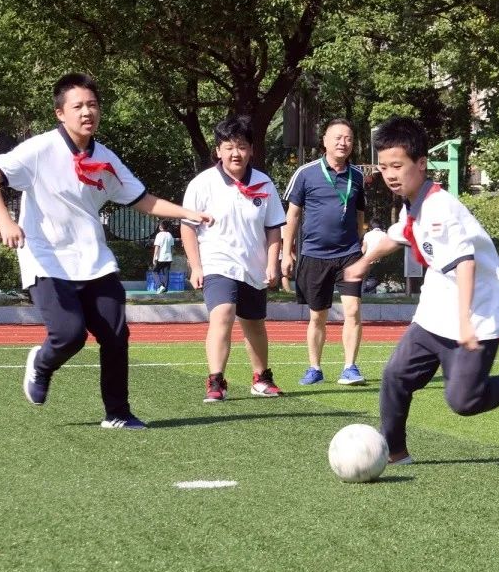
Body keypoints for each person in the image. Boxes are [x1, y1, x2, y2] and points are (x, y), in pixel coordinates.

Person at [0, 72, 213, 429]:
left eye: (93, 105)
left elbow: (142, 199)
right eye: (78, 106)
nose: (87, 112)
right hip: (47, 259)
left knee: (116, 335)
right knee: (69, 335)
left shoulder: (106, 158)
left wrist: (187, 213)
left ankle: (117, 412)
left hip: (94, 261)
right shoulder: (39, 149)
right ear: (60, 113)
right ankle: (42, 363)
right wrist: (6, 222)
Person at [343, 115, 499, 464]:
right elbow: (399, 233)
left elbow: (465, 262)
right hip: (437, 309)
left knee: (463, 401)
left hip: (476, 312)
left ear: (421, 164)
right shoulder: (414, 202)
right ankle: (395, 451)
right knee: (395, 376)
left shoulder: (439, 210)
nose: (390, 174)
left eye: (398, 165)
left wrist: (464, 322)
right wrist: (364, 262)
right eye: (384, 166)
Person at [181, 115, 286, 403]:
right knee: (223, 314)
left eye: (241, 146)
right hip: (218, 263)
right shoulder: (202, 184)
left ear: (251, 149)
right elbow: (187, 227)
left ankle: (261, 378)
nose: (235, 153)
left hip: (253, 266)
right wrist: (196, 266)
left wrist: (271, 263)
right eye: (228, 147)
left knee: (254, 322)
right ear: (218, 151)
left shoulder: (264, 183)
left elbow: (273, 228)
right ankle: (216, 380)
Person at [281, 118, 367, 386]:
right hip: (315, 254)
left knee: (352, 310)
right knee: (318, 315)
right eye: (338, 137)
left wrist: (363, 244)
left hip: (350, 253)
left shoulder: (358, 176)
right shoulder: (305, 173)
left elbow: (360, 213)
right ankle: (314, 367)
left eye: (349, 138)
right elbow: (292, 215)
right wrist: (287, 251)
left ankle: (350, 367)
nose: (344, 143)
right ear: (325, 142)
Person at [360, 218, 387, 293]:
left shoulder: (367, 234)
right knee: (376, 279)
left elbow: (364, 248)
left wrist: (359, 258)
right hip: (380, 259)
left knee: (365, 277)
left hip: (368, 259)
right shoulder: (384, 235)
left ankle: (364, 291)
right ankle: (367, 291)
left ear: (371, 226)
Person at [151, 221, 174, 293]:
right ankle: (165, 289)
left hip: (161, 257)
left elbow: (157, 246)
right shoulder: (170, 235)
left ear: (161, 227)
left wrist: (154, 257)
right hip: (168, 257)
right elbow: (171, 247)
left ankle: (160, 286)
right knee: (166, 273)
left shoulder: (159, 235)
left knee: (154, 272)